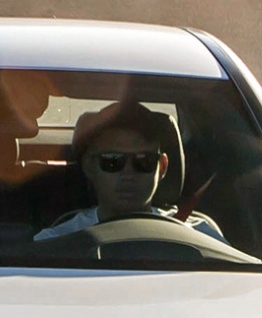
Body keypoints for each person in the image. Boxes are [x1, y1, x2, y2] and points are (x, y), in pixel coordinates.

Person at [34, 102, 225, 242]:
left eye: (143, 161)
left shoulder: (202, 238)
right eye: (112, 161)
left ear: (162, 167)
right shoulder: (57, 243)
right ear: (88, 167)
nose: (128, 173)